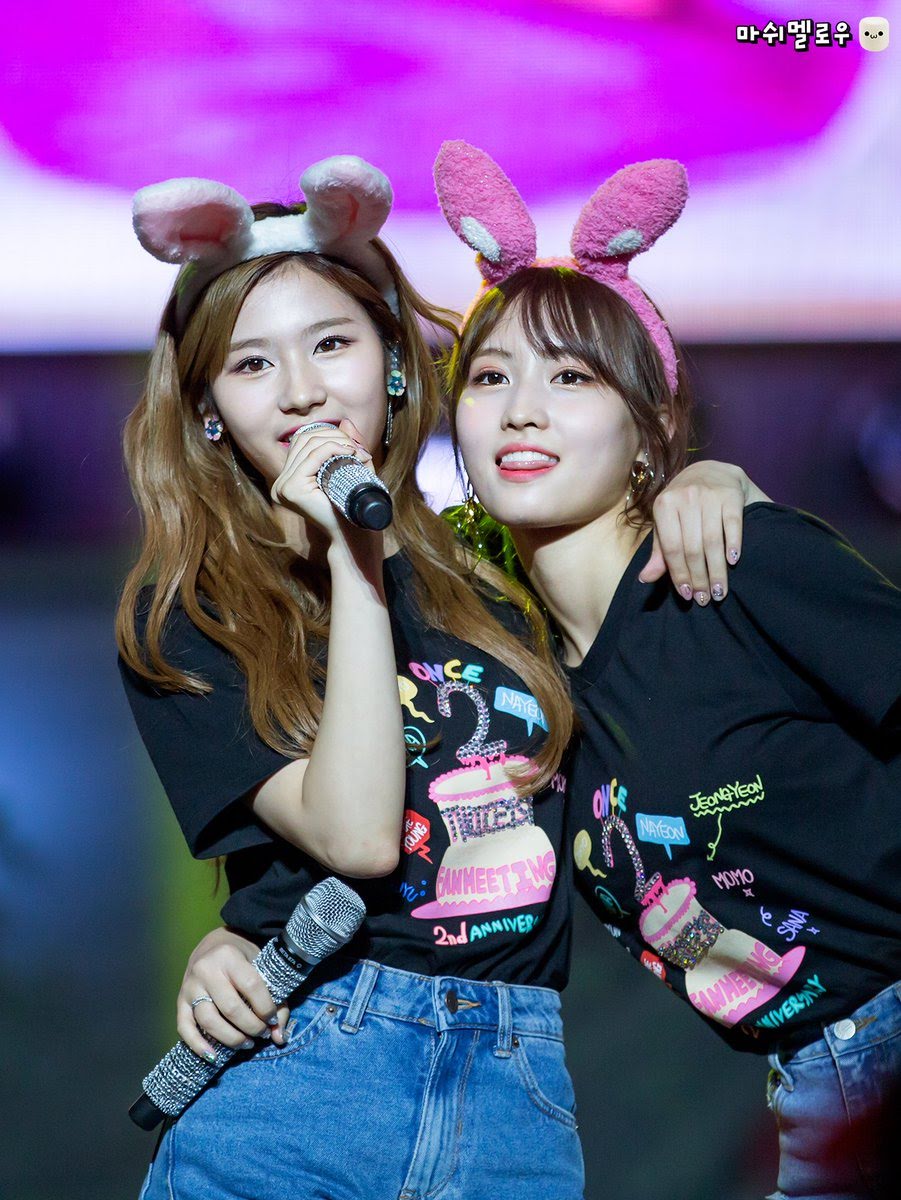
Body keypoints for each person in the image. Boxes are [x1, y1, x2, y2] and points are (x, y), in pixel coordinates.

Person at [121, 155, 756, 1199]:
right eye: (250, 364)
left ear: (393, 362)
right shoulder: (192, 619)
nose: (301, 390)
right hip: (302, 1077)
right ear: (207, 410)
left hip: (513, 1090)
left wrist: (714, 483)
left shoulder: (497, 561)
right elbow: (359, 838)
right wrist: (354, 560)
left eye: (331, 343)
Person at [435, 142, 901, 1200]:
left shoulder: (734, 562)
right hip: (812, 1088)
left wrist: (717, 481)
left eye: (570, 377)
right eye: (492, 377)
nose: (521, 409)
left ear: (648, 426)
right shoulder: (521, 679)